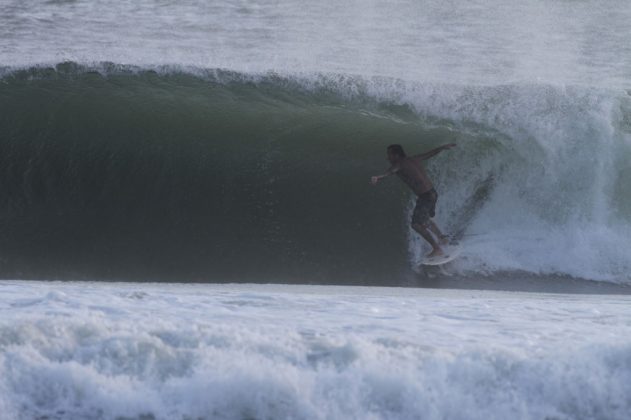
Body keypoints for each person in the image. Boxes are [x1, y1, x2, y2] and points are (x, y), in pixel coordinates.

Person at [371, 143, 456, 257]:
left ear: (396, 155)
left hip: (425, 197)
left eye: (389, 154)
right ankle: (442, 238)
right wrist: (441, 147)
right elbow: (429, 153)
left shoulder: (399, 163)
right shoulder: (414, 159)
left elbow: (391, 171)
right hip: (433, 193)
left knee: (416, 224)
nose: (388, 157)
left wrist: (379, 177)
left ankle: (437, 248)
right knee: (424, 219)